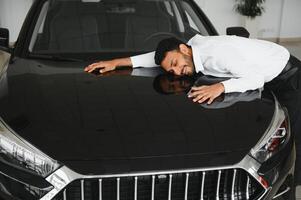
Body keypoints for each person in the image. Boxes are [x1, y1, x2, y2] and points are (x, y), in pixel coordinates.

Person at [84, 34, 290, 104]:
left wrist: (220, 87)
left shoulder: (217, 56)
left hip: (288, 76)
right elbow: (158, 59)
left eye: (175, 65)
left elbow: (255, 78)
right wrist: (116, 62)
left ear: (184, 49)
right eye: (171, 71)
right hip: (269, 72)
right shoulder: (190, 48)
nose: (177, 72)